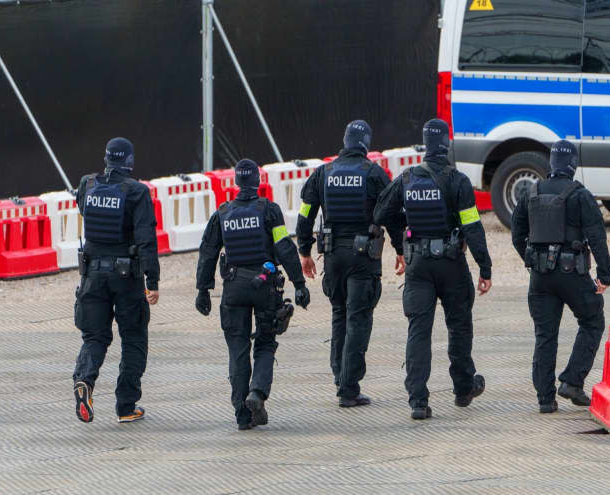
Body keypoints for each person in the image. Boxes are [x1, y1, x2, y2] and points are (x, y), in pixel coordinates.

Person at [374, 119, 492, 420]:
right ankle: (464, 388)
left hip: (419, 267)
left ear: (426, 145)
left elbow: (380, 212)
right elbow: (472, 226)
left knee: (418, 332)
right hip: (452, 264)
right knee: (460, 327)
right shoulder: (458, 180)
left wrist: (401, 241)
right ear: (446, 146)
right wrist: (485, 267)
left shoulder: (408, 178)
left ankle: (418, 400)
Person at [296, 120, 405, 408]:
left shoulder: (324, 173)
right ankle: (349, 387)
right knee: (358, 318)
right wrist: (400, 248)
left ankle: (339, 375)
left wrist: (304, 251)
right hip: (362, 258)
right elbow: (393, 213)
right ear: (366, 143)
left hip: (332, 257)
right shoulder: (373, 173)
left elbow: (305, 213)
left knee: (338, 314)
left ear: (344, 142)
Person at [195, 159, 310, 431]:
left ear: (236, 182)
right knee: (266, 342)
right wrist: (299, 282)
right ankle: (256, 393)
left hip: (233, 288)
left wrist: (203, 290)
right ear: (258, 181)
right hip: (265, 286)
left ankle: (242, 415)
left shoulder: (222, 214)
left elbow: (208, 251)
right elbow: (283, 247)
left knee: (237, 349)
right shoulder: (269, 211)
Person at [511, 140, 610, 413]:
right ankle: (572, 381)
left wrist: (532, 259)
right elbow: (597, 237)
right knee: (592, 320)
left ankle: (545, 399)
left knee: (545, 335)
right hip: (572, 274)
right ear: (573, 165)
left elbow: (516, 235)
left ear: (551, 164)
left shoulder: (530, 192)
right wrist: (605, 274)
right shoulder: (580, 195)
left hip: (540, 277)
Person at [73, 137, 160, 424]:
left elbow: (83, 208)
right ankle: (126, 406)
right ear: (130, 161)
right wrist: (153, 281)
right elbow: (147, 240)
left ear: (107, 158)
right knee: (134, 338)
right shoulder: (136, 192)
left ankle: (84, 380)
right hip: (126, 278)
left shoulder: (88, 184)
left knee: (95, 337)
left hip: (91, 276)